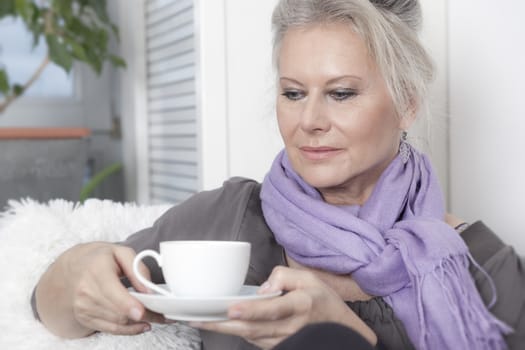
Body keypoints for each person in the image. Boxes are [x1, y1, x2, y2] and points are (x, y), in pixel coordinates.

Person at [31, 0, 525, 349]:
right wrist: (77, 274)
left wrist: (347, 339)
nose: (308, 120)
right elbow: (45, 307)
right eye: (293, 93)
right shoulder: (227, 219)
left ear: (407, 104)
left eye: (341, 93)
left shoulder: (483, 268)